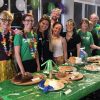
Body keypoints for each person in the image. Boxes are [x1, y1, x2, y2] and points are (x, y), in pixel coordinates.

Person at [0, 10, 16, 82]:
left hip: (10, 64)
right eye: (4, 20)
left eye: (9, 20)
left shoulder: (12, 33)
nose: (6, 22)